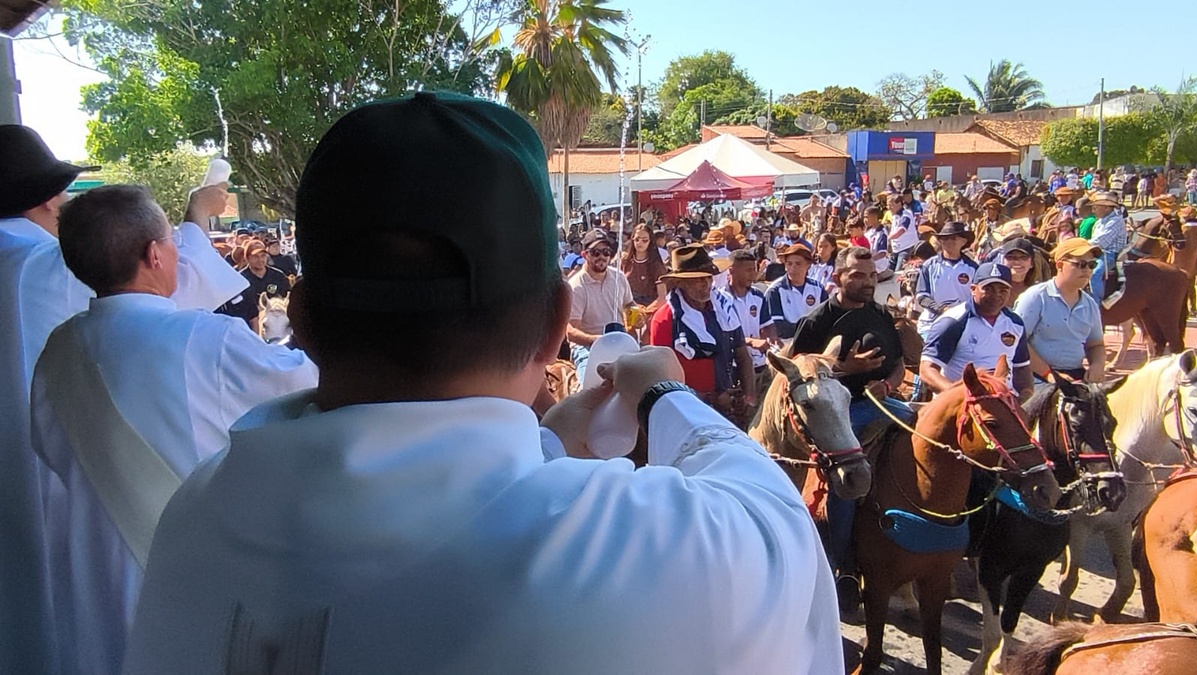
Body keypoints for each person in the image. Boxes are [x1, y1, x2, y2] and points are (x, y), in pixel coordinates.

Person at [122, 92, 842, 674]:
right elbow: (775, 518)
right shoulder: (651, 546)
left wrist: (543, 449)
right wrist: (664, 393)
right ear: (560, 320)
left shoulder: (193, 515)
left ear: (302, 316)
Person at [29, 185, 318, 675]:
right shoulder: (207, 339)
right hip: (186, 567)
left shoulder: (57, 349)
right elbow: (307, 377)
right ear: (154, 254)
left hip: (92, 573)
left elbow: (50, 451)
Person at [0, 125, 245, 673]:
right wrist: (196, 216)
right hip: (80, 501)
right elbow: (144, 286)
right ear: (45, 197)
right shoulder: (41, 264)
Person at [788, 246, 912, 607]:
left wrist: (887, 385)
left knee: (925, 434)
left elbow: (900, 365)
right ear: (838, 277)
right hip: (838, 408)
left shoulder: (880, 315)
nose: (867, 282)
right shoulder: (816, 321)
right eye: (857, 275)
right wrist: (846, 370)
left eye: (872, 275)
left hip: (882, 400)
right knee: (848, 474)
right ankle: (841, 563)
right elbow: (799, 375)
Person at [650, 244, 757, 413]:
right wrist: (709, 398)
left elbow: (742, 353)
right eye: (698, 279)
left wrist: (749, 398)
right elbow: (662, 379)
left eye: (708, 277)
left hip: (728, 406)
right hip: (685, 411)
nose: (706, 283)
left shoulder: (724, 309)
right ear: (680, 282)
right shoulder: (665, 320)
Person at [919, 262, 1033, 400]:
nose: (996, 295)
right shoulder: (953, 321)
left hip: (1003, 402)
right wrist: (958, 394)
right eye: (988, 289)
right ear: (973, 289)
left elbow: (1021, 368)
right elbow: (927, 371)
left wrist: (1025, 397)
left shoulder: (1015, 323)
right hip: (961, 404)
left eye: (1003, 290)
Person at [1014, 238, 1106, 383]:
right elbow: (1017, 342)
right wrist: (1048, 374)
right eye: (1080, 264)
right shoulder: (1036, 297)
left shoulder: (1090, 305)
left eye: (1091, 265)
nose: (1087, 270)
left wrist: (1097, 366)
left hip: (1075, 377)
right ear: (1060, 265)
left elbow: (1096, 345)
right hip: (1036, 378)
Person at [566, 228, 641, 378]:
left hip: (620, 341)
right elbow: (571, 332)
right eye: (595, 252)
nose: (602, 256)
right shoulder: (576, 286)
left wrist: (635, 316)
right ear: (584, 255)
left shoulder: (619, 277)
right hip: (587, 348)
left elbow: (629, 303)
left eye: (606, 252)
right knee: (591, 387)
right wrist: (599, 341)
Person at [718, 249, 775, 395]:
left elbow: (767, 325)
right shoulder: (720, 299)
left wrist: (771, 340)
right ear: (732, 271)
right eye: (748, 270)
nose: (753, 274)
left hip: (759, 365)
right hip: (734, 367)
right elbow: (724, 335)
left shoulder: (757, 295)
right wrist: (751, 342)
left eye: (754, 269)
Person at [914, 221, 978, 338]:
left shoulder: (973, 268)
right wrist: (940, 309)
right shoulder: (929, 265)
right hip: (931, 324)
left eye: (953, 238)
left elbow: (977, 299)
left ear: (963, 241)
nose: (948, 242)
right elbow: (922, 296)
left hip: (963, 325)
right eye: (944, 238)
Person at [216, 239, 292, 332]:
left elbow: (288, 299)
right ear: (247, 258)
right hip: (248, 328)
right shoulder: (240, 280)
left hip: (278, 326)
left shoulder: (278, 276)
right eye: (255, 256)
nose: (260, 260)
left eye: (263, 256)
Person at [764, 242, 826, 340]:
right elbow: (778, 327)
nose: (793, 268)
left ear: (808, 265)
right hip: (786, 344)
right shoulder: (775, 291)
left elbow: (825, 319)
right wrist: (810, 329)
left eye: (798, 264)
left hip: (814, 343)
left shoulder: (818, 288)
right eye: (789, 264)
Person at [1086, 191, 1127, 304]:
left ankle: (1095, 304)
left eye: (1096, 207)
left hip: (1109, 254)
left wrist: (1081, 245)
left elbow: (1101, 242)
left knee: (1094, 273)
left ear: (1107, 208)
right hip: (1096, 252)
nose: (1093, 210)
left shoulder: (1116, 221)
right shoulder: (1100, 221)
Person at [619, 222, 667, 311]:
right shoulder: (625, 261)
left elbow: (662, 297)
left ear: (650, 242)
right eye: (637, 239)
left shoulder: (656, 265)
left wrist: (645, 312)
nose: (640, 243)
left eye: (644, 240)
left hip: (648, 309)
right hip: (627, 309)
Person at [886, 193, 918, 272]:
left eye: (891, 205)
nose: (889, 208)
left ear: (899, 204)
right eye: (887, 205)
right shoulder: (894, 216)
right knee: (889, 272)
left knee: (899, 272)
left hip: (907, 248)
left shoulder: (906, 214)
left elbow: (901, 230)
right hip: (895, 249)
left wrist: (887, 238)